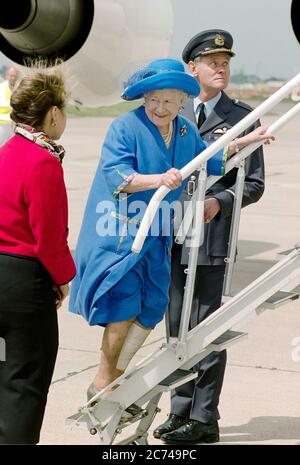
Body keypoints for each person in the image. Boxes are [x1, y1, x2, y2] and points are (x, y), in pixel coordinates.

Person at [69, 58, 272, 408]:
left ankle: (114, 378)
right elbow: (118, 175)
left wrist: (246, 140)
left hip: (157, 233)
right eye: (152, 100)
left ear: (182, 102)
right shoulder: (124, 127)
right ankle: (103, 381)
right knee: (123, 303)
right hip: (120, 234)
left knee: (152, 306)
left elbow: (207, 158)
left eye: (168, 100)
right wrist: (159, 180)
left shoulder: (184, 131)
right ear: (143, 99)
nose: (159, 108)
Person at [154, 30, 273, 444]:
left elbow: (253, 183)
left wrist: (219, 202)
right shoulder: (173, 112)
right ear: (193, 69)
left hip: (212, 241)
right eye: (212, 61)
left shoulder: (243, 116)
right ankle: (179, 410)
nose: (221, 67)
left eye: (225, 61)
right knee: (176, 328)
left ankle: (204, 417)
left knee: (206, 328)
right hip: (170, 236)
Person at [0, 65, 76, 444]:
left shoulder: (5, 152)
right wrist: (63, 279)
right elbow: (48, 237)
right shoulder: (43, 161)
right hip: (23, 284)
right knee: (24, 387)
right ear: (52, 113)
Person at [0, 66, 19, 146]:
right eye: (11, 75)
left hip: (13, 126)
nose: (13, 78)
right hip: (2, 126)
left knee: (9, 148)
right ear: (7, 76)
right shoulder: (1, 87)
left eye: (15, 76)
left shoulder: (17, 88)